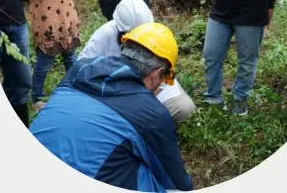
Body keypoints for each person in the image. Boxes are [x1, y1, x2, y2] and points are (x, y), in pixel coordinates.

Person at [29, 22, 193, 192]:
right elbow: (175, 180)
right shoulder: (151, 113)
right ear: (157, 74)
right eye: (162, 80)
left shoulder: (80, 68)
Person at [78, 0, 196, 122]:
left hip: (151, 90)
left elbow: (164, 76)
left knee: (184, 108)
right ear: (120, 30)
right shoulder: (104, 35)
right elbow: (81, 70)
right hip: (114, 94)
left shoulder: (157, 35)